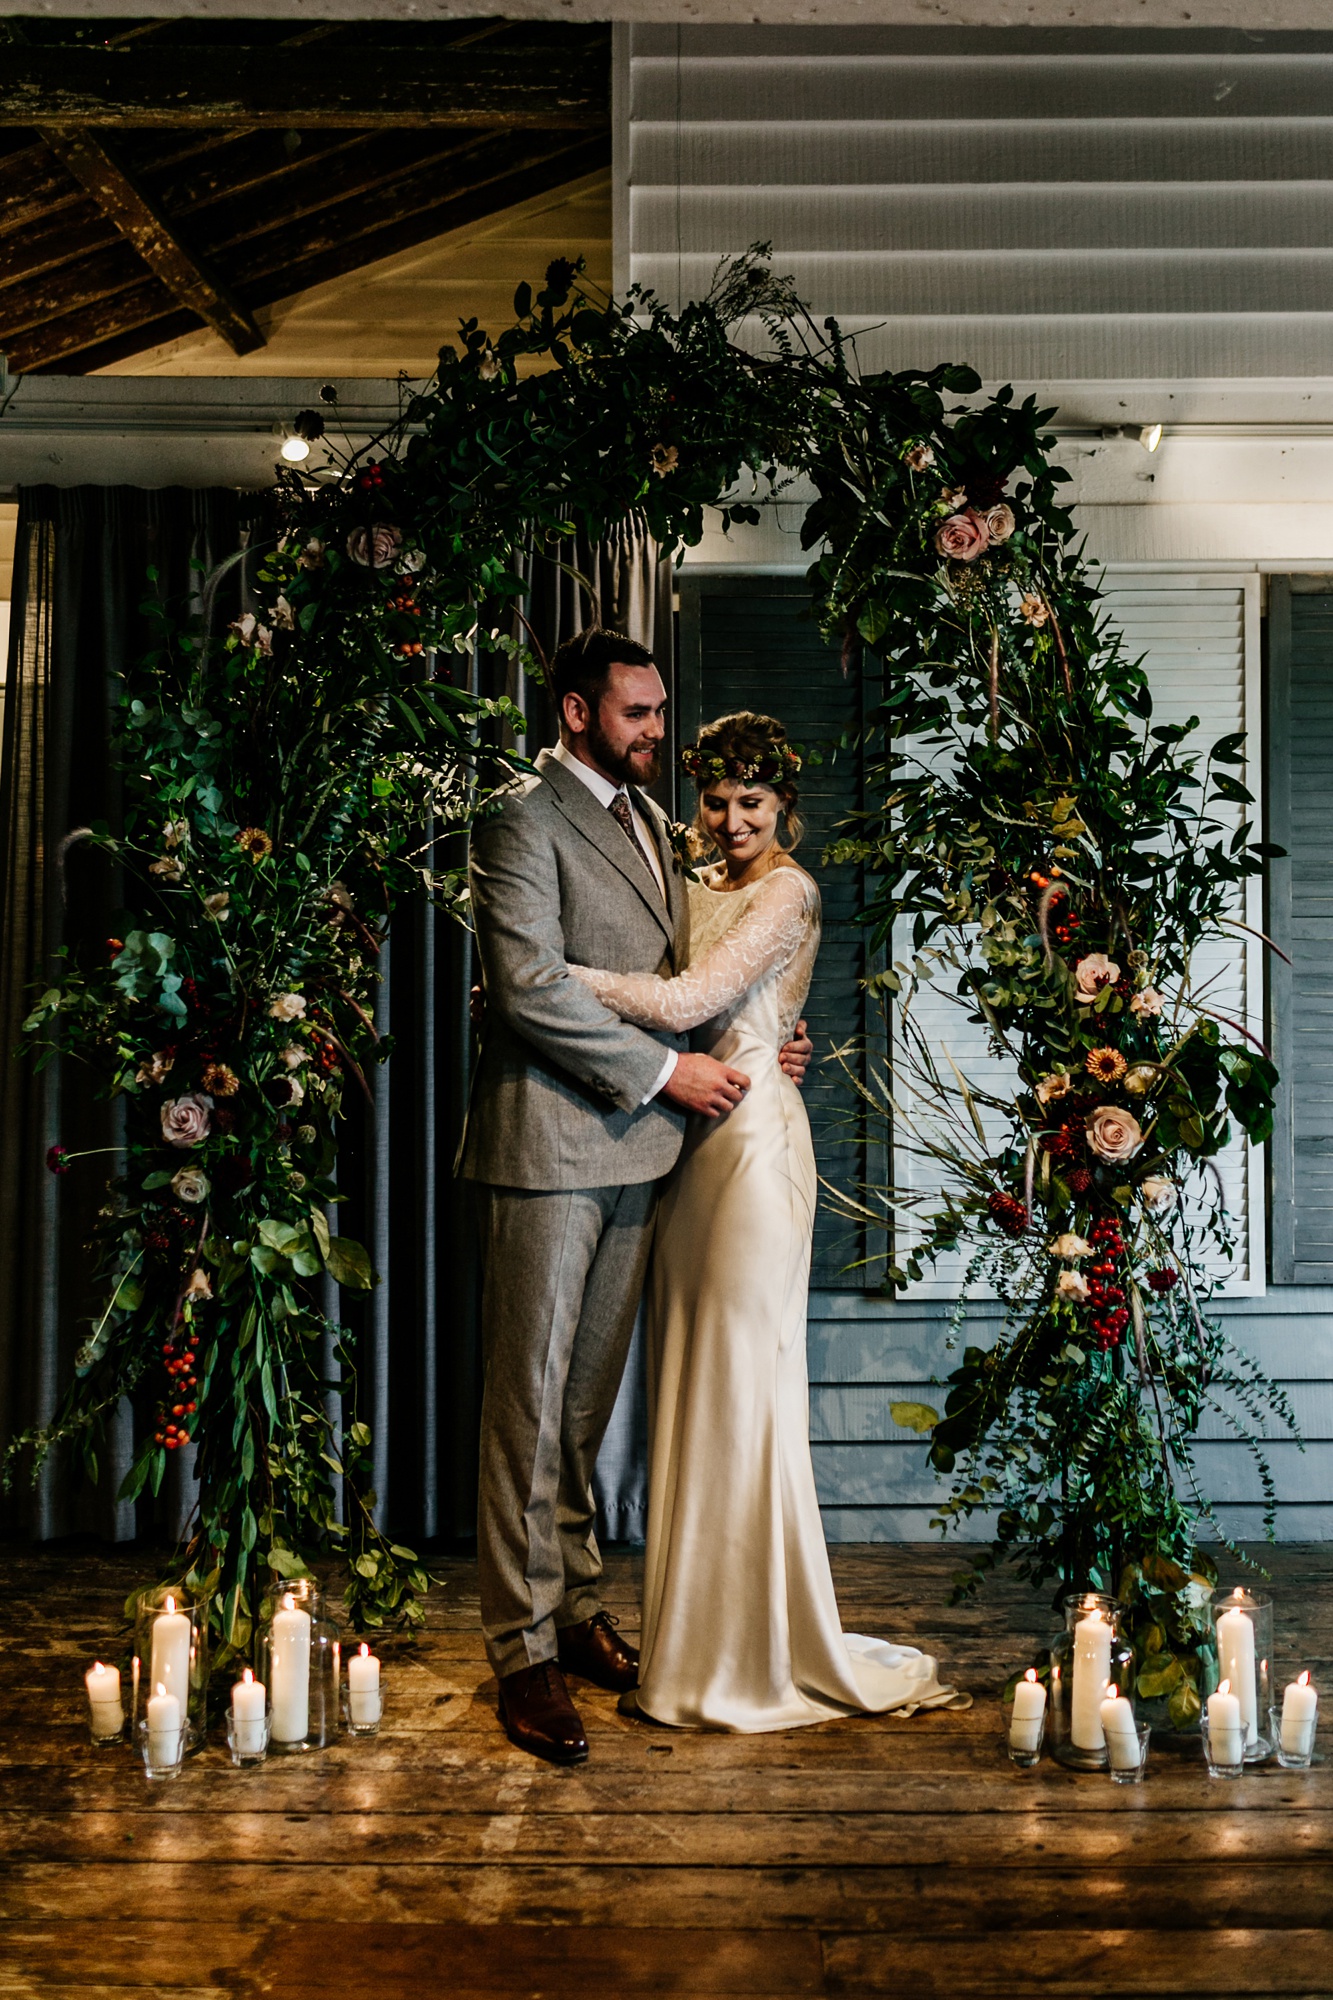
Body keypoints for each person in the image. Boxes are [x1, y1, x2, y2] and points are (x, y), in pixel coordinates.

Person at [570, 710, 967, 1731]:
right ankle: (699, 1635)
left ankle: (753, 1647)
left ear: (784, 804)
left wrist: (552, 979)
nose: (732, 817)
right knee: (691, 1379)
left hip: (753, 1148)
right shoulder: (690, 885)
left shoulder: (791, 889)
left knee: (745, 1384)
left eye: (752, 801)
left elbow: (693, 996)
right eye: (716, 800)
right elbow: (696, 1002)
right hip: (689, 1144)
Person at [458, 631, 812, 1765]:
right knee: (527, 1401)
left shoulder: (656, 826)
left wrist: (763, 1042)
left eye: (661, 711)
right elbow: (524, 990)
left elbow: (695, 972)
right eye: (637, 713)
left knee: (580, 1408)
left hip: (649, 1153)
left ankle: (569, 1606)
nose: (658, 729)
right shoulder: (519, 818)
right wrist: (669, 1070)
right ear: (574, 711)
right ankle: (521, 1652)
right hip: (551, 1145)